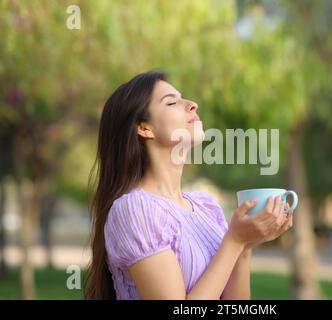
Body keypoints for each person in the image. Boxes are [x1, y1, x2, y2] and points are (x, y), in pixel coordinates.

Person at [84, 70, 293, 300]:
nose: (192, 104)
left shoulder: (207, 208)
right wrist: (234, 241)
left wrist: (244, 248)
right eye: (172, 102)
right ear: (145, 128)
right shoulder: (134, 210)